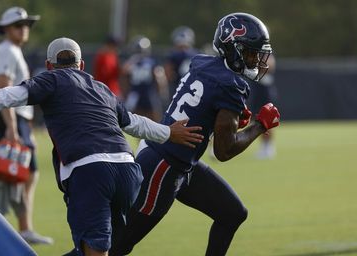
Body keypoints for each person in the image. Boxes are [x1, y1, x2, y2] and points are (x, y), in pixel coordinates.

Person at [0, 37, 204, 256]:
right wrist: (169, 132)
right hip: (128, 173)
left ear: (49, 65)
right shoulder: (101, 88)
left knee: (94, 250)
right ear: (81, 66)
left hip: (90, 172)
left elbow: (4, 96)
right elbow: (133, 123)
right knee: (96, 248)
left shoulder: (50, 79)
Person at [110, 13, 281, 256]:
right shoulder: (232, 85)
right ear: (234, 49)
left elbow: (200, 112)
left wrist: (224, 118)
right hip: (164, 165)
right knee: (117, 245)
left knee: (232, 213)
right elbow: (224, 151)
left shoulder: (202, 62)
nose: (256, 60)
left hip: (174, 158)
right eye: (252, 52)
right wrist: (259, 125)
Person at [0, 6, 53, 244]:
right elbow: (3, 88)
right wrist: (13, 128)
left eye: (26, 25)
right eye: (18, 25)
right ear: (5, 29)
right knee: (4, 176)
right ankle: (18, 226)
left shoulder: (12, 50)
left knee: (22, 173)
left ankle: (24, 227)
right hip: (11, 120)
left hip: (17, 120)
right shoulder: (7, 51)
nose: (24, 29)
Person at [122, 35, 164, 122]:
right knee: (155, 115)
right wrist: (161, 92)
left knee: (130, 116)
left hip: (135, 92)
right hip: (148, 92)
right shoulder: (151, 62)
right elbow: (159, 78)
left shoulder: (130, 62)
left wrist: (125, 93)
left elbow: (124, 76)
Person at [248, 54, 278, 159]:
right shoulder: (254, 51)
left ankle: (269, 147)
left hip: (265, 89)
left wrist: (257, 63)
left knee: (267, 119)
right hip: (256, 87)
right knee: (257, 119)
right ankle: (263, 146)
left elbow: (270, 65)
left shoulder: (266, 51)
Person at [163, 26, 198, 107]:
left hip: (177, 88)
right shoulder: (197, 54)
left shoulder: (173, 55)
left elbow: (168, 74)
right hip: (194, 89)